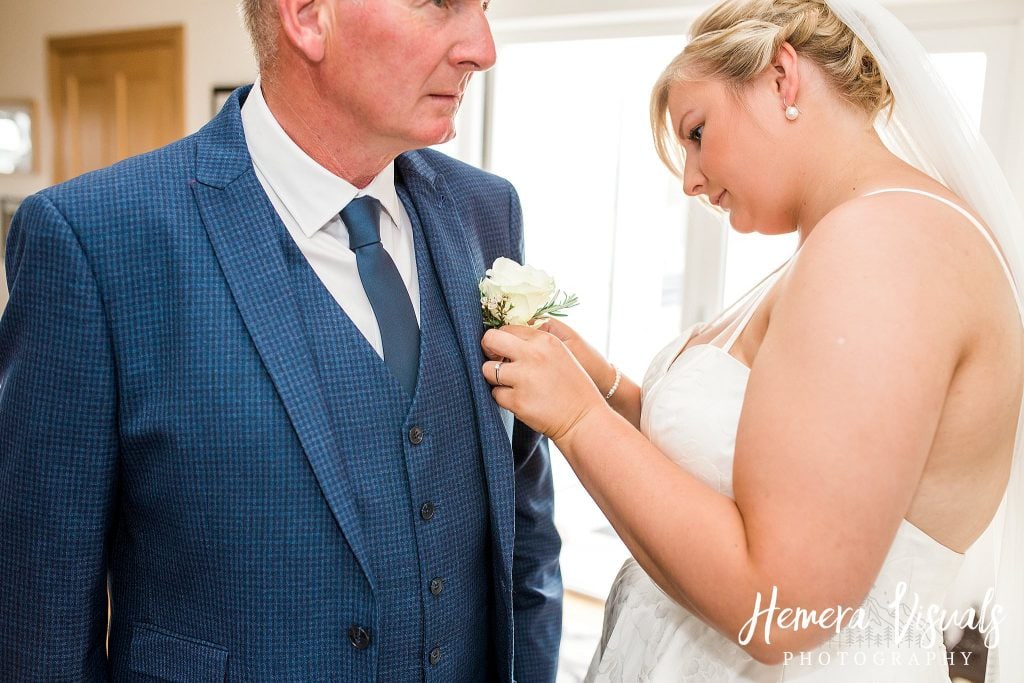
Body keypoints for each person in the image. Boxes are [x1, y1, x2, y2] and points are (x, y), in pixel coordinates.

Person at [0, 0, 562, 679]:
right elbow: (43, 610)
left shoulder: (486, 210)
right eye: (439, 4)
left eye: (485, 8)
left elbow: (525, 534)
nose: (483, 47)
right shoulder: (94, 240)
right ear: (306, 15)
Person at [480, 0, 1024, 680]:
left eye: (697, 132)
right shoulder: (851, 237)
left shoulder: (882, 245)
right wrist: (610, 388)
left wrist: (580, 418)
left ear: (781, 78)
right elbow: (765, 470)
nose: (691, 179)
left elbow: (779, 606)